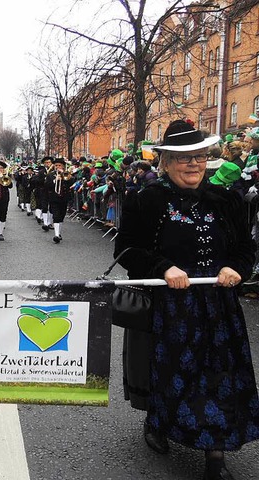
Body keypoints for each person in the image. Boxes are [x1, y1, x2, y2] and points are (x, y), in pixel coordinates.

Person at [115, 120, 259, 480]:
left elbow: (245, 247)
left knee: (218, 375)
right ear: (165, 162)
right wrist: (163, 268)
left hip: (219, 305)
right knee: (172, 373)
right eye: (183, 158)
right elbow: (127, 250)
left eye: (199, 156)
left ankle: (216, 453)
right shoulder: (145, 199)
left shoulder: (227, 199)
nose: (193, 164)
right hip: (170, 308)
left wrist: (236, 268)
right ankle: (159, 423)